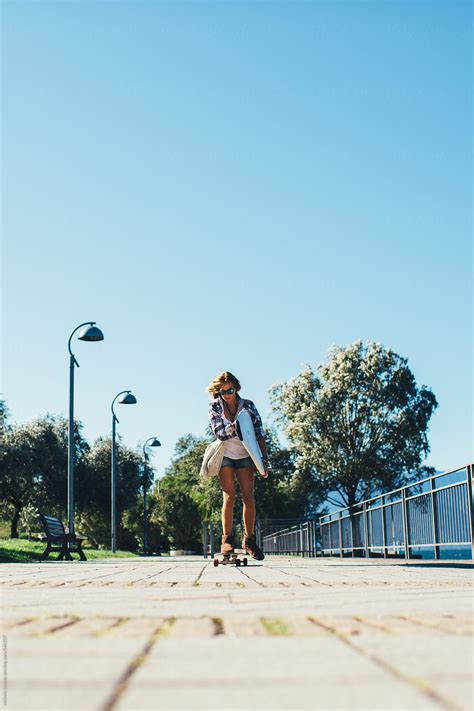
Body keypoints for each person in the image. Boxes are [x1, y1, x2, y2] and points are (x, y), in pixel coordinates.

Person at [207, 371, 270, 560]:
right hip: (225, 454)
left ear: (237, 388)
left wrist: (264, 461)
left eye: (230, 390)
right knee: (229, 497)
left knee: (248, 497)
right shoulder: (214, 407)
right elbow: (219, 432)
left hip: (245, 455)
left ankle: (249, 541)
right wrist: (235, 427)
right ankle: (226, 540)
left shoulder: (248, 406)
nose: (226, 394)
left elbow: (258, 433)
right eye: (222, 391)